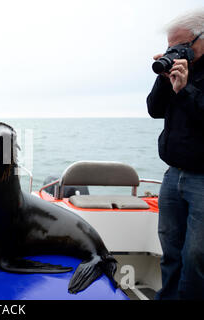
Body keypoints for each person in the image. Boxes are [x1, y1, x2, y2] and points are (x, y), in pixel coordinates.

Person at [147, 9, 204, 300]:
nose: (176, 52)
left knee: (196, 257)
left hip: (202, 180)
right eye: (171, 47)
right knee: (170, 251)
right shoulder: (177, 68)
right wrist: (164, 77)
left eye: (182, 45)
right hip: (173, 175)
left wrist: (184, 91)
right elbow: (154, 110)